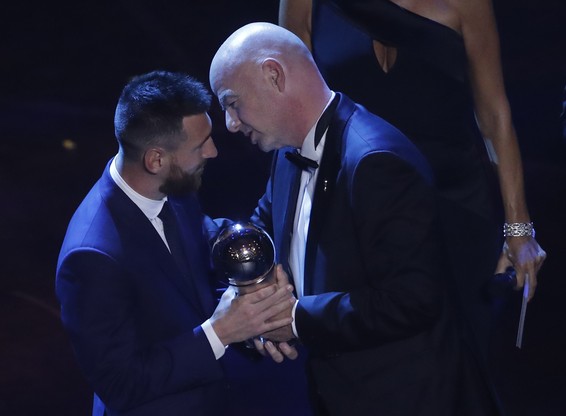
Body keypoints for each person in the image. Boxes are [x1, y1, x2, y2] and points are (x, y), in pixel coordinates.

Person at [210, 22, 499, 415]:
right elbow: (267, 238)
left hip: (406, 398)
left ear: (274, 75)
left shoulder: (375, 161)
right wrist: (248, 303)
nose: (230, 123)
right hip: (339, 392)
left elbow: (411, 300)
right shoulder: (284, 154)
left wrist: (293, 321)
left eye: (231, 103)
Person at [279, 0, 546, 394]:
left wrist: (519, 228)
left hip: (456, 209)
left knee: (462, 372)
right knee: (367, 365)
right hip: (354, 212)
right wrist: (284, 236)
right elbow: (290, 116)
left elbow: (494, 114)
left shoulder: (468, 4)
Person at [55, 70, 295, 416]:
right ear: (156, 160)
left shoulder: (173, 189)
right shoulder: (92, 256)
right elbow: (122, 384)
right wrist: (223, 331)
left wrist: (259, 304)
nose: (213, 151)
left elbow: (204, 244)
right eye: (200, 145)